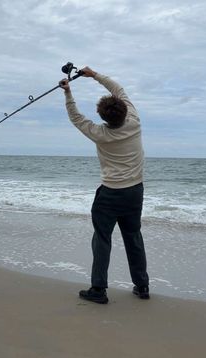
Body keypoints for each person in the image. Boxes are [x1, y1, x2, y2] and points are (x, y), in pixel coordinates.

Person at [60, 66, 150, 304]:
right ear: (124, 110)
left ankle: (98, 290)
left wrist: (68, 93)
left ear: (103, 117)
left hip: (109, 194)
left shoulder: (99, 133)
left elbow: (76, 118)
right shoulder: (134, 120)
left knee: (102, 239)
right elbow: (118, 89)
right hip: (135, 192)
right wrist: (95, 75)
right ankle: (142, 286)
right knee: (133, 237)